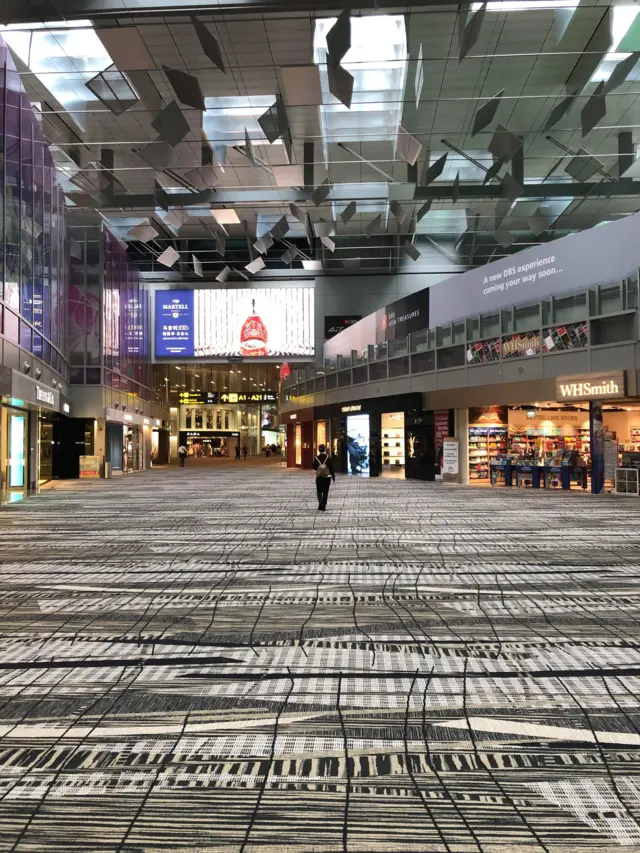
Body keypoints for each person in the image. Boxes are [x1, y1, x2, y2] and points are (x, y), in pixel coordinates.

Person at [313, 444, 335, 511]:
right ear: (325, 449)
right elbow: (331, 468)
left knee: (319, 491)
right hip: (327, 477)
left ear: (318, 450)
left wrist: (319, 467)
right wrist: (333, 476)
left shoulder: (316, 458)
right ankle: (324, 505)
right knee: (325, 491)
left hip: (319, 477)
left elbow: (314, 467)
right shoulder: (328, 457)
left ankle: (320, 503)